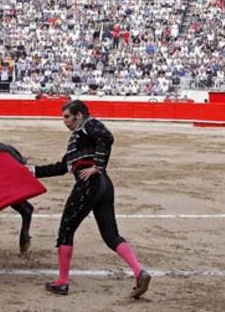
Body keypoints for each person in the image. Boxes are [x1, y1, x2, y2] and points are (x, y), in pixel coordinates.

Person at [27, 100, 151, 298]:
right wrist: (30, 171)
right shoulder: (78, 138)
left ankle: (62, 282)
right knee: (111, 235)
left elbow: (107, 137)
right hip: (104, 186)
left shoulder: (88, 125)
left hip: (90, 185)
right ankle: (139, 272)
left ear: (79, 115)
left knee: (66, 229)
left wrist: (97, 166)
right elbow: (60, 167)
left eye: (67, 117)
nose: (64, 121)